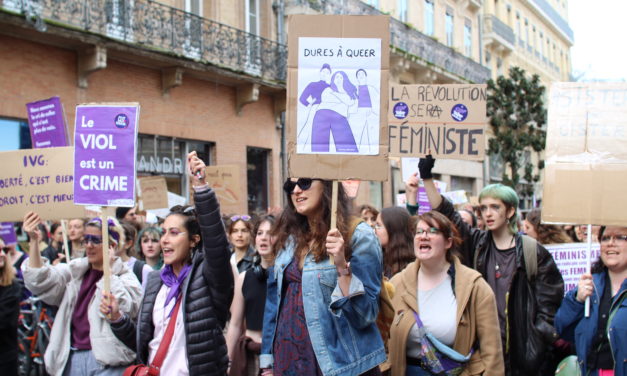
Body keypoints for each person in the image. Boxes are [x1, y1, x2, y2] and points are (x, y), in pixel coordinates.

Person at [418, 155, 564, 375]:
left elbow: (550, 300)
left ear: (510, 211)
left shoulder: (532, 251)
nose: (487, 213)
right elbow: (447, 213)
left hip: (523, 353)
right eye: (483, 207)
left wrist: (538, 334)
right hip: (485, 349)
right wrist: (427, 177)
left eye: (495, 207)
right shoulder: (478, 243)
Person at [104, 151, 234, 375]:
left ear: (194, 240)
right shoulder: (155, 282)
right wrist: (117, 318)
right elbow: (144, 344)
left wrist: (201, 187)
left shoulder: (208, 277)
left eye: (174, 233)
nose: (164, 239)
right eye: (163, 232)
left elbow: (216, 242)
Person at [260, 177, 385, 376]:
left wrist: (342, 267)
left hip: (339, 367)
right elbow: (274, 305)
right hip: (289, 363)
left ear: (327, 184)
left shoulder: (358, 235)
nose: (297, 190)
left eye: (305, 182)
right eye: (290, 186)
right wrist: (267, 360)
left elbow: (366, 315)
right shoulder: (290, 237)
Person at [21, 212, 142, 376]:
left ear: (112, 245)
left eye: (96, 240)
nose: (89, 245)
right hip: (73, 358)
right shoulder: (74, 272)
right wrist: (34, 241)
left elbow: (125, 310)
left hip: (109, 363)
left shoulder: (125, 277)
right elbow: (38, 279)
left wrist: (109, 271)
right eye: (87, 239)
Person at [388, 211, 504, 376]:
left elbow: (492, 351)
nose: (424, 236)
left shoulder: (474, 286)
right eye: (419, 232)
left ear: (448, 242)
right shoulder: (396, 284)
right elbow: (381, 339)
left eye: (433, 231)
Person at [555, 225, 627, 376]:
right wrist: (577, 301)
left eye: (620, 237)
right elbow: (562, 329)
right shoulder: (588, 286)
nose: (610, 243)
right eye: (605, 238)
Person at [227, 215, 276, 376]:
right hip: (248, 357)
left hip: (277, 356)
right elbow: (235, 324)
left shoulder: (288, 278)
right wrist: (228, 361)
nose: (264, 238)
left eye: (270, 233)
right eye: (260, 233)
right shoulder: (244, 278)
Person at [311, 71, 359, 153]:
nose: (339, 79)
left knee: (348, 148)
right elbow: (325, 99)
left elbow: (350, 103)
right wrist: (342, 99)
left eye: (341, 77)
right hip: (322, 114)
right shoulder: (327, 89)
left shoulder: (349, 92)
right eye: (337, 77)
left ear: (344, 79)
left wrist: (335, 95)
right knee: (319, 147)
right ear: (333, 79)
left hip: (340, 116)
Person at [0, 236, 22, 376]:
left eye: (3, 250)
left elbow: (3, 320)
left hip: (4, 359)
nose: (2, 254)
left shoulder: (12, 286)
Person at [374, 207, 415, 278]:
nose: (374, 230)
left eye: (378, 225)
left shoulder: (413, 266)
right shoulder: (377, 259)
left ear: (393, 229)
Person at [117, 222, 152, 288]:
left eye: (116, 238)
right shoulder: (101, 267)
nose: (110, 242)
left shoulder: (143, 269)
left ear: (128, 244)